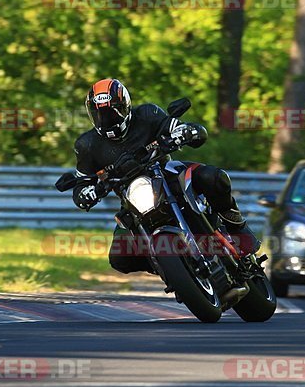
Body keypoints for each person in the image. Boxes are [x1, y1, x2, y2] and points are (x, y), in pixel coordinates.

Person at [71, 78, 260, 273]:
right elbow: (81, 184)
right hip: (132, 198)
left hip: (166, 174)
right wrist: (86, 193)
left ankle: (238, 227)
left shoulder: (147, 114)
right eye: (100, 113)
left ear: (126, 106)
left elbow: (175, 126)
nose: (108, 118)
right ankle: (169, 268)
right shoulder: (87, 145)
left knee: (213, 178)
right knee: (120, 258)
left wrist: (186, 132)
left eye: (113, 110)